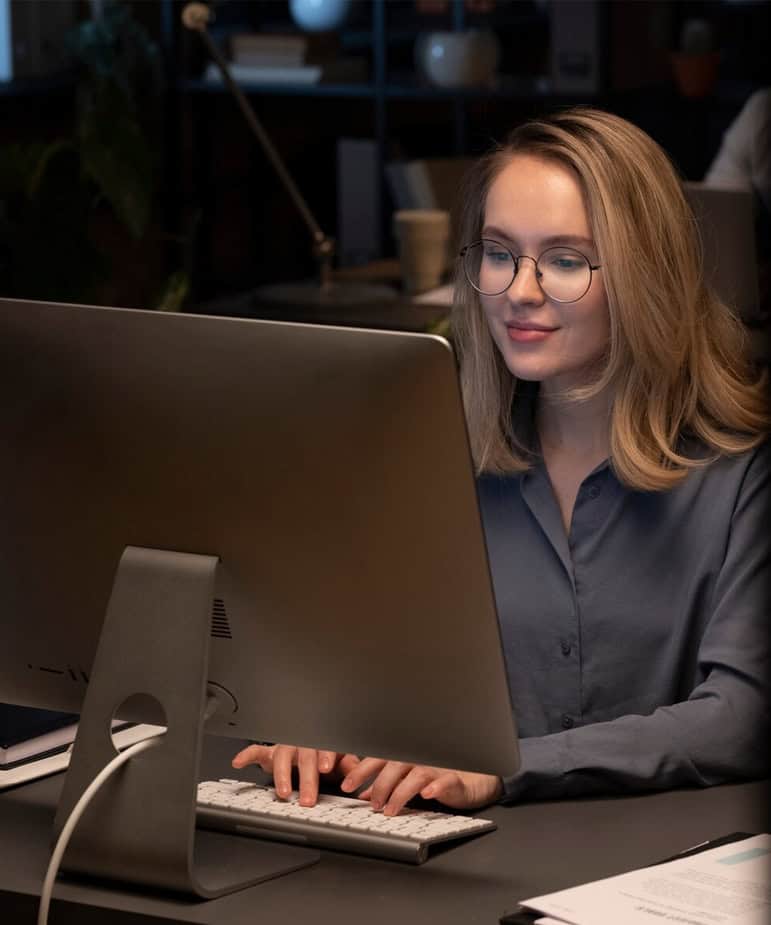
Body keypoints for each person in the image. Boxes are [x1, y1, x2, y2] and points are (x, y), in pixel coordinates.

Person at [232, 107, 769, 816]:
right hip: (452, 853)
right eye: (498, 251)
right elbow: (357, 657)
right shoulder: (428, 454)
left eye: (565, 259)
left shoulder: (741, 475)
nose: (519, 289)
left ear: (647, 275)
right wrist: (318, 722)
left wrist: (503, 768)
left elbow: (741, 716)